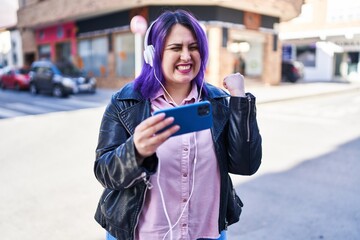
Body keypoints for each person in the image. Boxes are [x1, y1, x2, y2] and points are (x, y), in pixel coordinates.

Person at [93, 9, 262, 240]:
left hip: (205, 233)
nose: (186, 56)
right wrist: (135, 152)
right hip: (143, 234)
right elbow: (105, 172)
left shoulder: (219, 101)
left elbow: (246, 164)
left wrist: (240, 100)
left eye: (193, 47)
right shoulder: (125, 103)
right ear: (153, 54)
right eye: (175, 48)